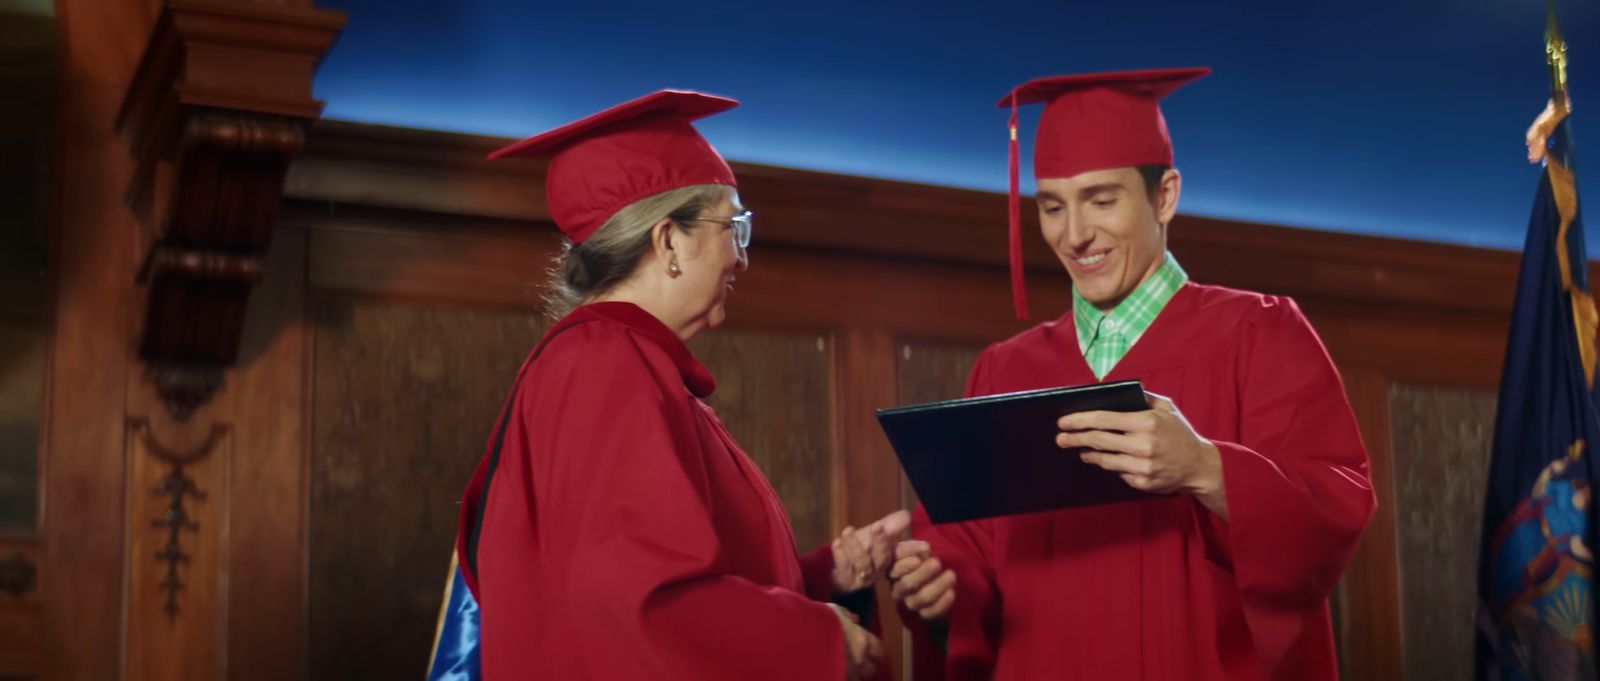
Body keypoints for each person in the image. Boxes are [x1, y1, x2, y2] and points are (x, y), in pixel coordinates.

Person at [889, 68, 1377, 680]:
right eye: (1051, 206)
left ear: (1165, 196)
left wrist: (1204, 466)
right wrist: (942, 582)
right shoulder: (1007, 369)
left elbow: (1335, 506)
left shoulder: (1257, 334)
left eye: (1101, 200)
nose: (1074, 235)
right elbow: (969, 547)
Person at [453, 90, 907, 681]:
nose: (741, 258)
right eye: (733, 227)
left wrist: (826, 579)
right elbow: (645, 608)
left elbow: (654, 582)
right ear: (669, 241)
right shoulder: (603, 367)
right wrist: (820, 639)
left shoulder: (619, 364)